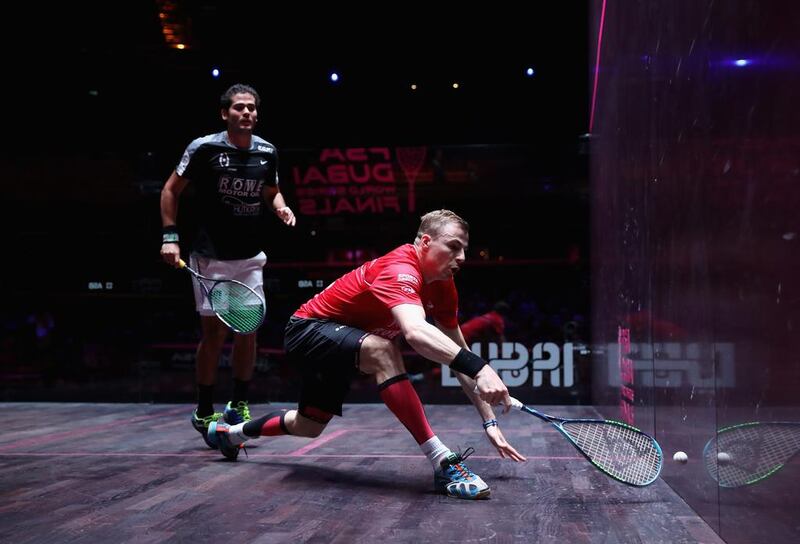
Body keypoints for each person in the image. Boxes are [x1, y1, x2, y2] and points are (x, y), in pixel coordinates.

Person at [207, 210, 526, 500]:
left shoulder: (444, 286)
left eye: (465, 249)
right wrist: (482, 369)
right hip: (309, 330)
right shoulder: (400, 267)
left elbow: (460, 354)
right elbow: (415, 334)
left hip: (345, 345)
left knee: (308, 425)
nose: (462, 256)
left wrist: (489, 420)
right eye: (454, 246)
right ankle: (443, 461)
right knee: (383, 349)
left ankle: (230, 434)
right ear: (425, 242)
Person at [160, 83, 296, 449]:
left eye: (252, 107)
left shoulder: (268, 152)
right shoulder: (204, 147)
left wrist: (280, 206)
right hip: (211, 259)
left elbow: (271, 190)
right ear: (225, 114)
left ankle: (238, 404)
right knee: (215, 335)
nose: (247, 113)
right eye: (239, 107)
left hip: (250, 258)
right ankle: (204, 409)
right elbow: (170, 190)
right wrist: (170, 237)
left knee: (248, 332)